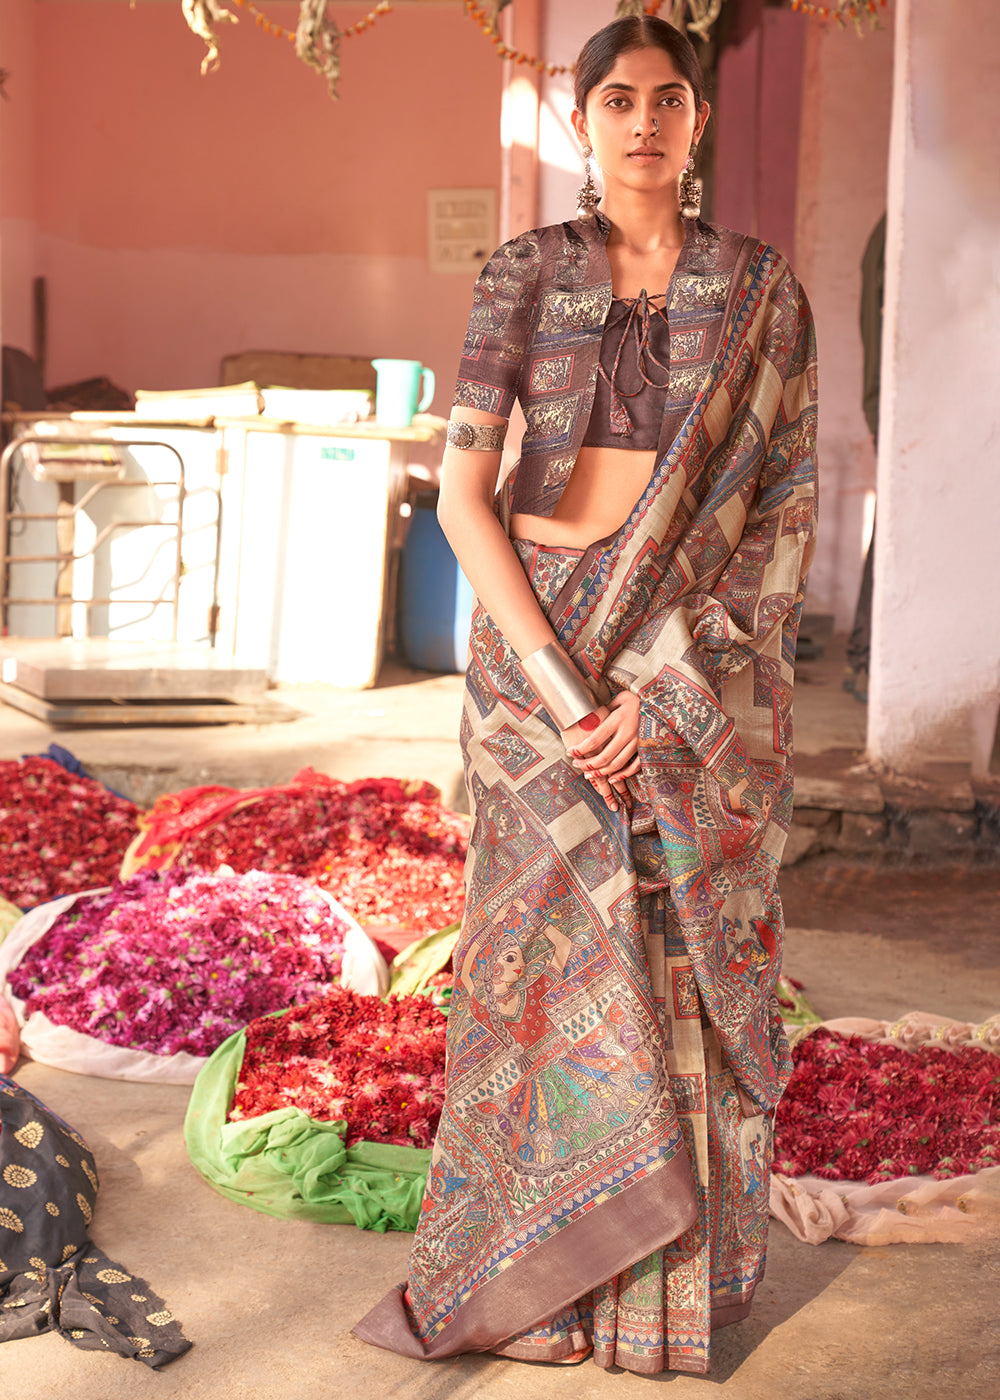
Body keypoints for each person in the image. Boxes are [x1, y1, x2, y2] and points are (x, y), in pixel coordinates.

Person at [354, 14, 817, 1376]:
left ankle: (654, 1306)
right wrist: (564, 693)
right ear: (580, 121)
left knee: (675, 965)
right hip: (531, 671)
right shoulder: (519, 276)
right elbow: (461, 495)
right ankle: (534, 1286)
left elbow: (783, 514)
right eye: (615, 101)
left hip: (685, 674)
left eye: (667, 100)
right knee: (540, 983)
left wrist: (670, 685)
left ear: (700, 120)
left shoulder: (760, 291)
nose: (642, 124)